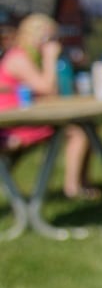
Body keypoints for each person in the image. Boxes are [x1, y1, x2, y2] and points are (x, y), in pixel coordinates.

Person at [0, 13, 93, 199]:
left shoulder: (31, 56)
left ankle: (82, 183)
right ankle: (73, 187)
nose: (53, 43)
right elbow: (47, 88)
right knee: (78, 131)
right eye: (48, 39)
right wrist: (50, 58)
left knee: (85, 126)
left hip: (26, 118)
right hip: (13, 125)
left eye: (55, 38)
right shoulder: (18, 57)